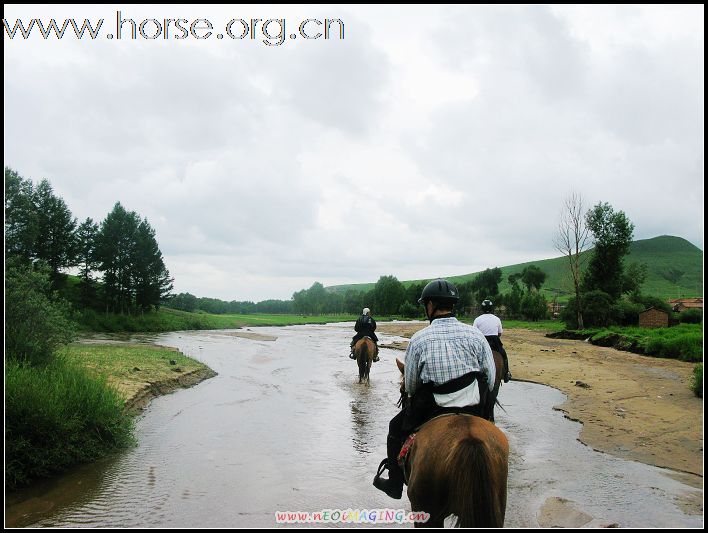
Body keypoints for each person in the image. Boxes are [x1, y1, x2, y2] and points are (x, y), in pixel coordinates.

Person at [372, 279, 496, 499]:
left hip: (434, 408)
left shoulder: (419, 339)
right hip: (474, 406)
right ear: (453, 304)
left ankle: (394, 483)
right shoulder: (476, 335)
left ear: (430, 305)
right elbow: (491, 377)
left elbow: (410, 386)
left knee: (394, 428)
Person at [473, 299, 512, 383]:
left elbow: (474, 333)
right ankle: (506, 374)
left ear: (482, 308)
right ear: (492, 308)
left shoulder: (477, 319)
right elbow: (500, 333)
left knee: (473, 356)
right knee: (503, 354)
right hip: (495, 342)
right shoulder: (497, 319)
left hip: (482, 341)